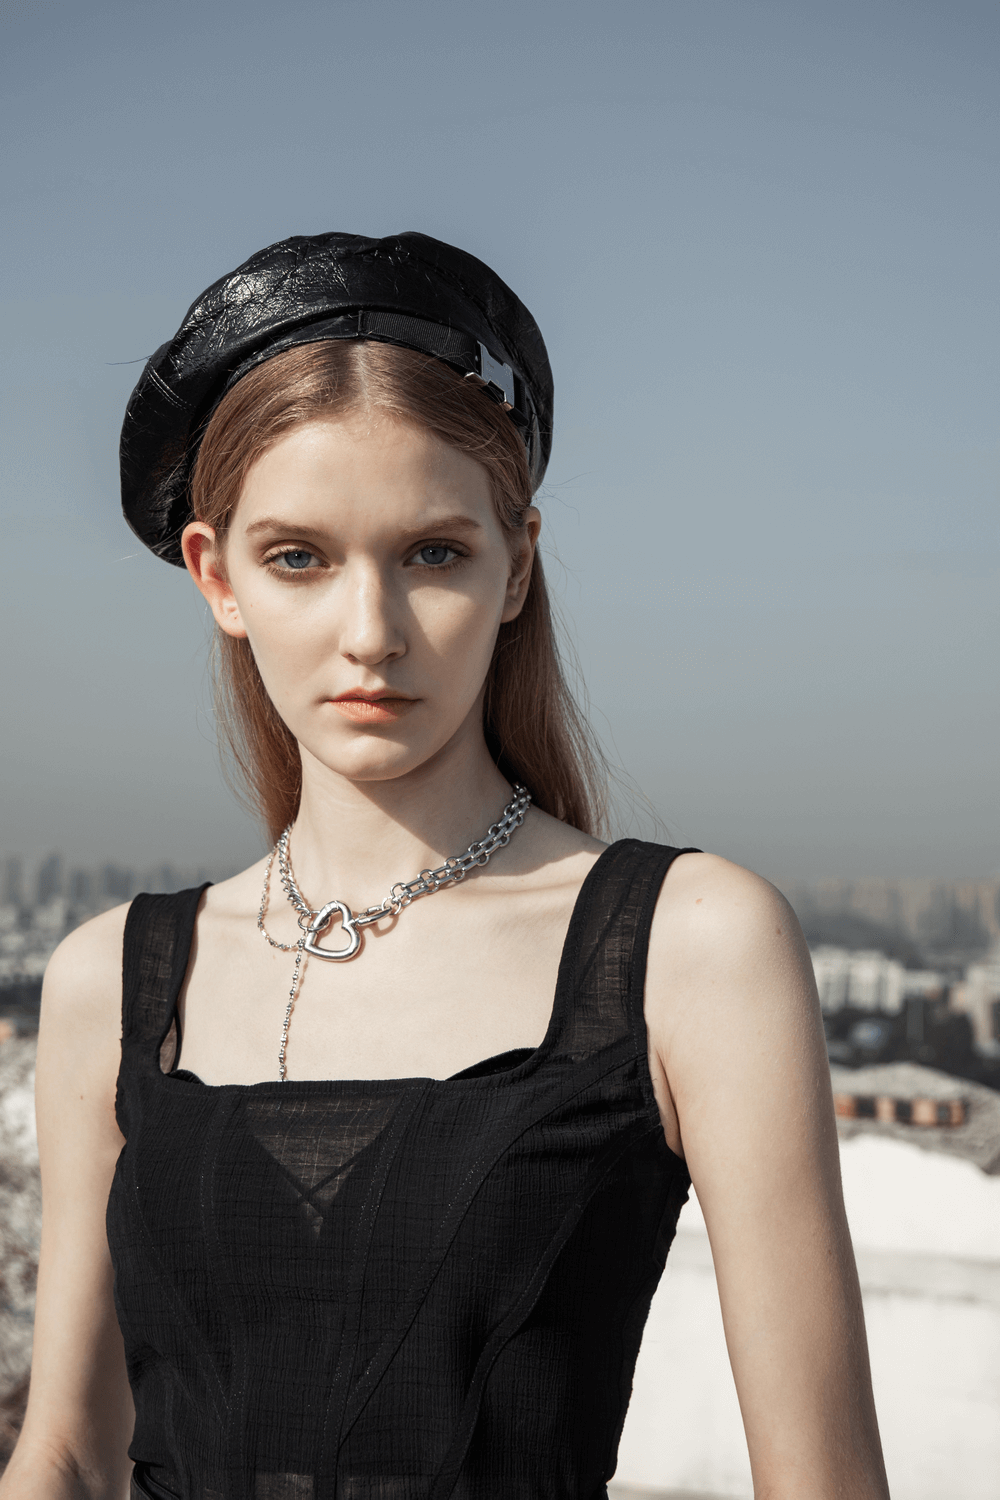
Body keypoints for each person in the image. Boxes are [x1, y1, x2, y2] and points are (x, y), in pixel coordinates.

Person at [2, 232, 889, 1500]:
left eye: (433, 554)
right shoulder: (112, 977)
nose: (371, 633)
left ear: (516, 562)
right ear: (217, 575)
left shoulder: (690, 946)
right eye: (298, 557)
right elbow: (71, 1456)